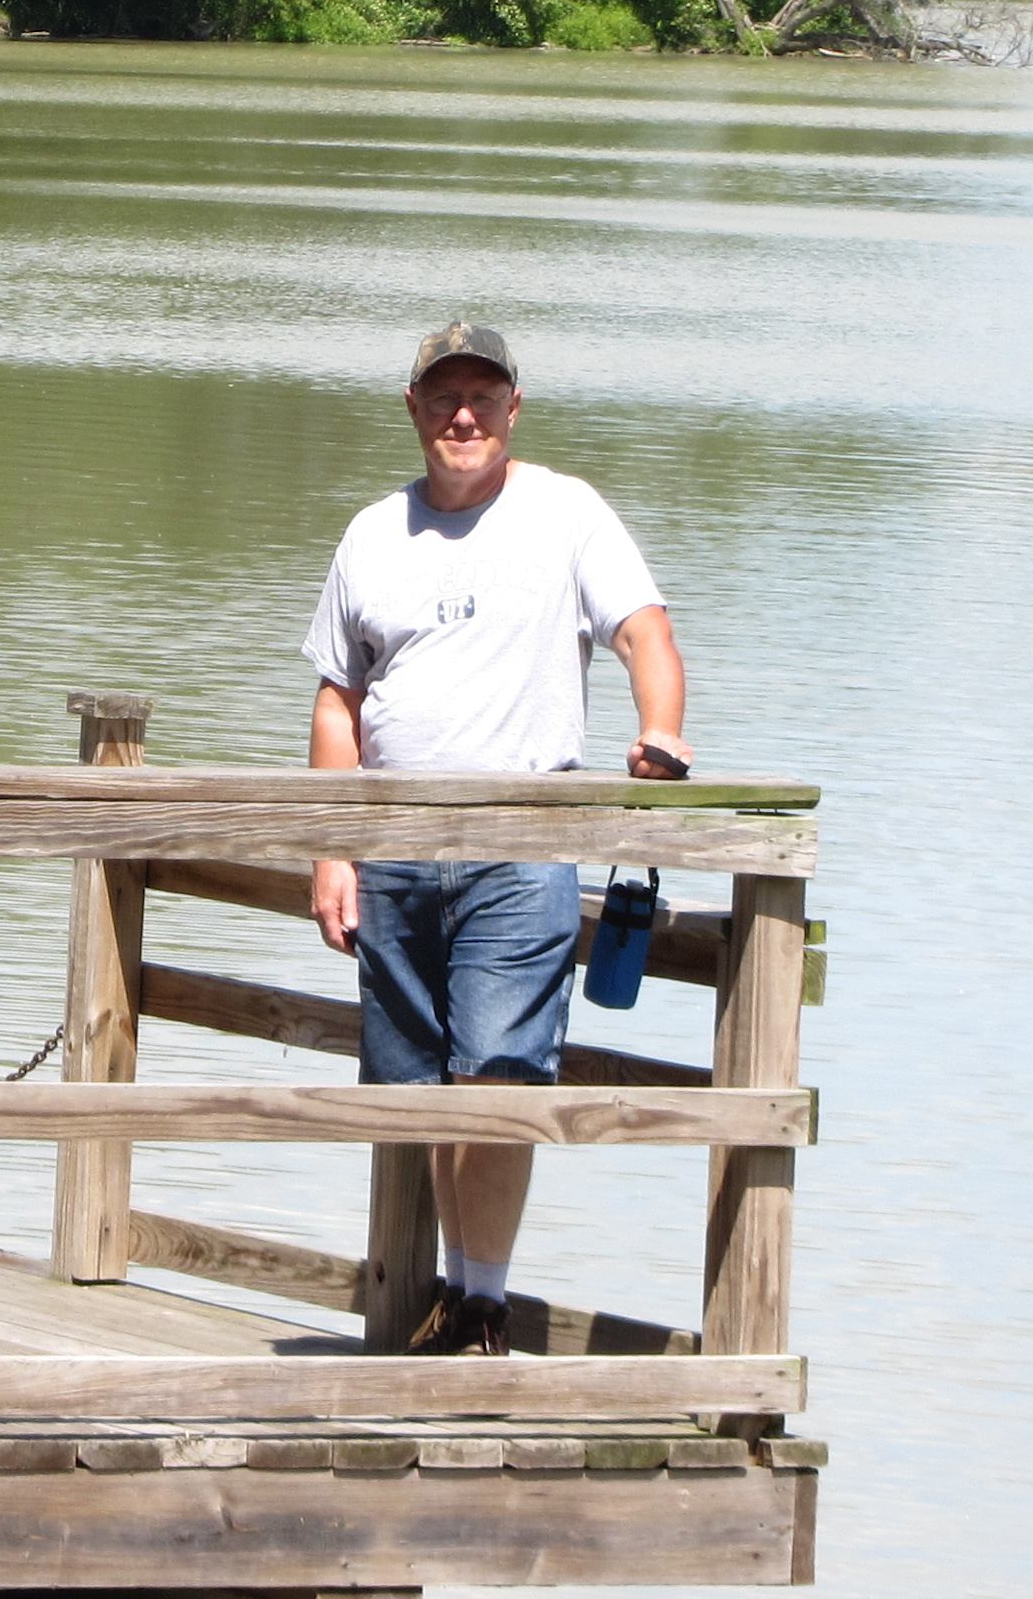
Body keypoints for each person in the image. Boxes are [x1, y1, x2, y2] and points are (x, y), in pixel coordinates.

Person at [305, 320, 691, 1359]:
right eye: (443, 396)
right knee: (430, 1087)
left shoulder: (568, 514)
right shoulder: (371, 534)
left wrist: (659, 731)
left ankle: (483, 1302)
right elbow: (337, 700)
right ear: (414, 409)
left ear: (513, 409)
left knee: (499, 1077)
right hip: (392, 850)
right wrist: (331, 850)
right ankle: (458, 1299)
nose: (462, 414)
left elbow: (645, 633)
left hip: (522, 845)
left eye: (482, 396)